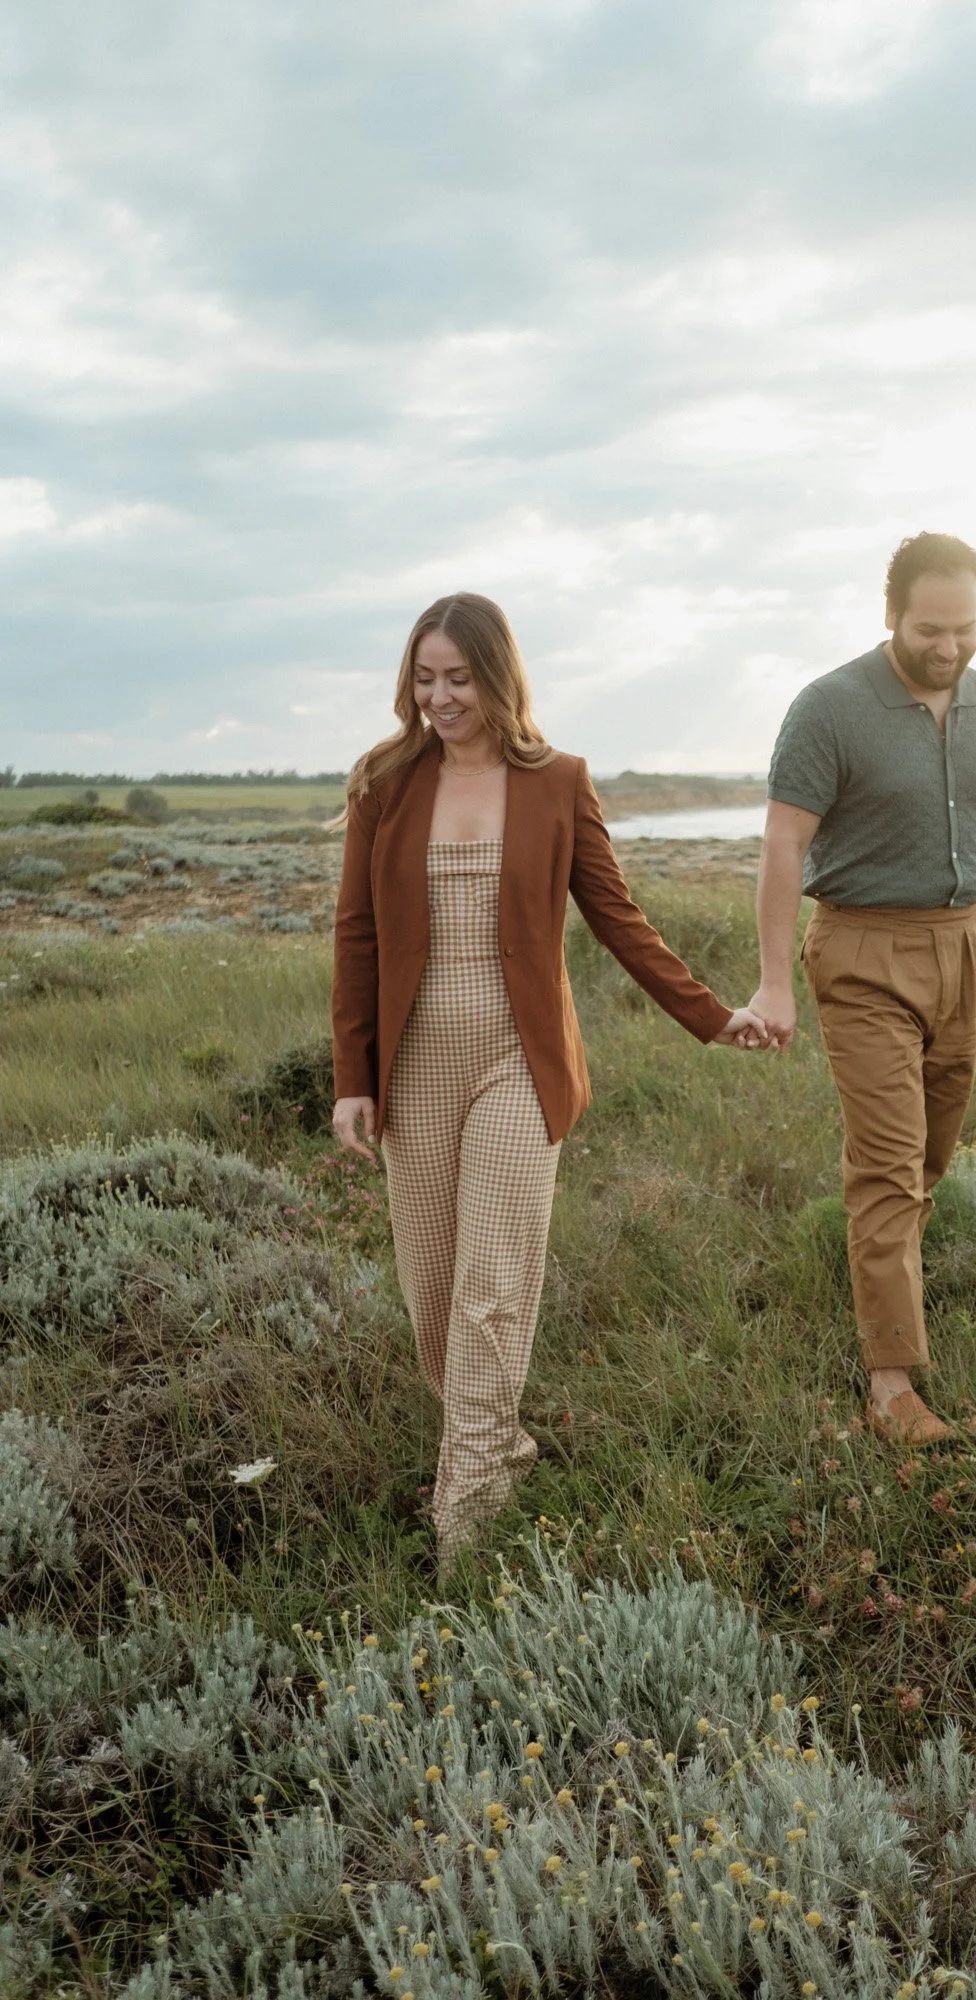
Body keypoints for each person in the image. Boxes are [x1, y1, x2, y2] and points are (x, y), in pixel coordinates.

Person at [331, 593, 769, 1558]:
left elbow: (618, 917)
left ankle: (467, 1517)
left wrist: (710, 1015)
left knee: (493, 1285)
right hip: (413, 1072)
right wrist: (351, 1075)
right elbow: (356, 934)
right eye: (424, 677)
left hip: (515, 1065)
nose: (441, 697)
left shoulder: (558, 782)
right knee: (435, 1300)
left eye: (460, 679)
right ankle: (497, 1445)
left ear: (500, 678)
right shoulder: (382, 784)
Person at [748, 533, 976, 1446]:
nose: (949, 647)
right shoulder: (829, 707)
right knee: (886, 1168)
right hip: (861, 952)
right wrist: (773, 983)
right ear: (890, 615)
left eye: (965, 628)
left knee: (923, 1167)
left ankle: (887, 1290)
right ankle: (891, 1388)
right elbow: (780, 846)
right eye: (930, 628)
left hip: (962, 949)